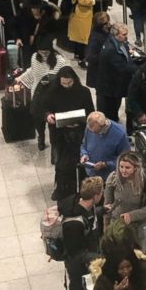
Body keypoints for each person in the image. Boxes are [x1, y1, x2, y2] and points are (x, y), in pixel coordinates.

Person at [41, 66, 94, 198]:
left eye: (69, 83)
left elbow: (90, 111)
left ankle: (84, 188)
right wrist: (48, 116)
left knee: (82, 160)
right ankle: (62, 188)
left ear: (74, 80)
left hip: (79, 133)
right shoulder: (52, 93)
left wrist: (82, 120)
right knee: (61, 163)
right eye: (64, 83)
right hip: (60, 134)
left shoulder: (83, 92)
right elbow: (44, 108)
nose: (67, 86)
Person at [103, 151, 146, 251]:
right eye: (121, 166)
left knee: (138, 254)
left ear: (136, 168)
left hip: (140, 225)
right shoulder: (113, 178)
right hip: (117, 224)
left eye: (127, 167)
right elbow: (107, 205)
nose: (123, 171)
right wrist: (106, 226)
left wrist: (132, 215)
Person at [80, 111, 131, 179]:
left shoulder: (120, 134)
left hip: (110, 178)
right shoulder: (90, 127)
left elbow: (125, 159)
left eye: (96, 132)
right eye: (92, 132)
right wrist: (84, 154)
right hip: (91, 175)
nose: (93, 134)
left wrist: (106, 164)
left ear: (104, 125)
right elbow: (84, 145)